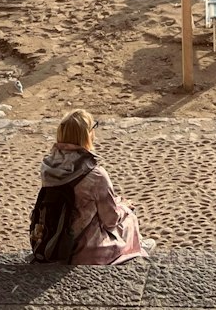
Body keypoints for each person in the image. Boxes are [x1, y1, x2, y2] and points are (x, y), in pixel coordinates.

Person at [38, 110, 148, 265]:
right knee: (129, 217)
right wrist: (124, 207)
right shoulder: (95, 175)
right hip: (87, 250)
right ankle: (137, 247)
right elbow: (110, 220)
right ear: (87, 135)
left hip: (53, 242)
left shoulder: (47, 168)